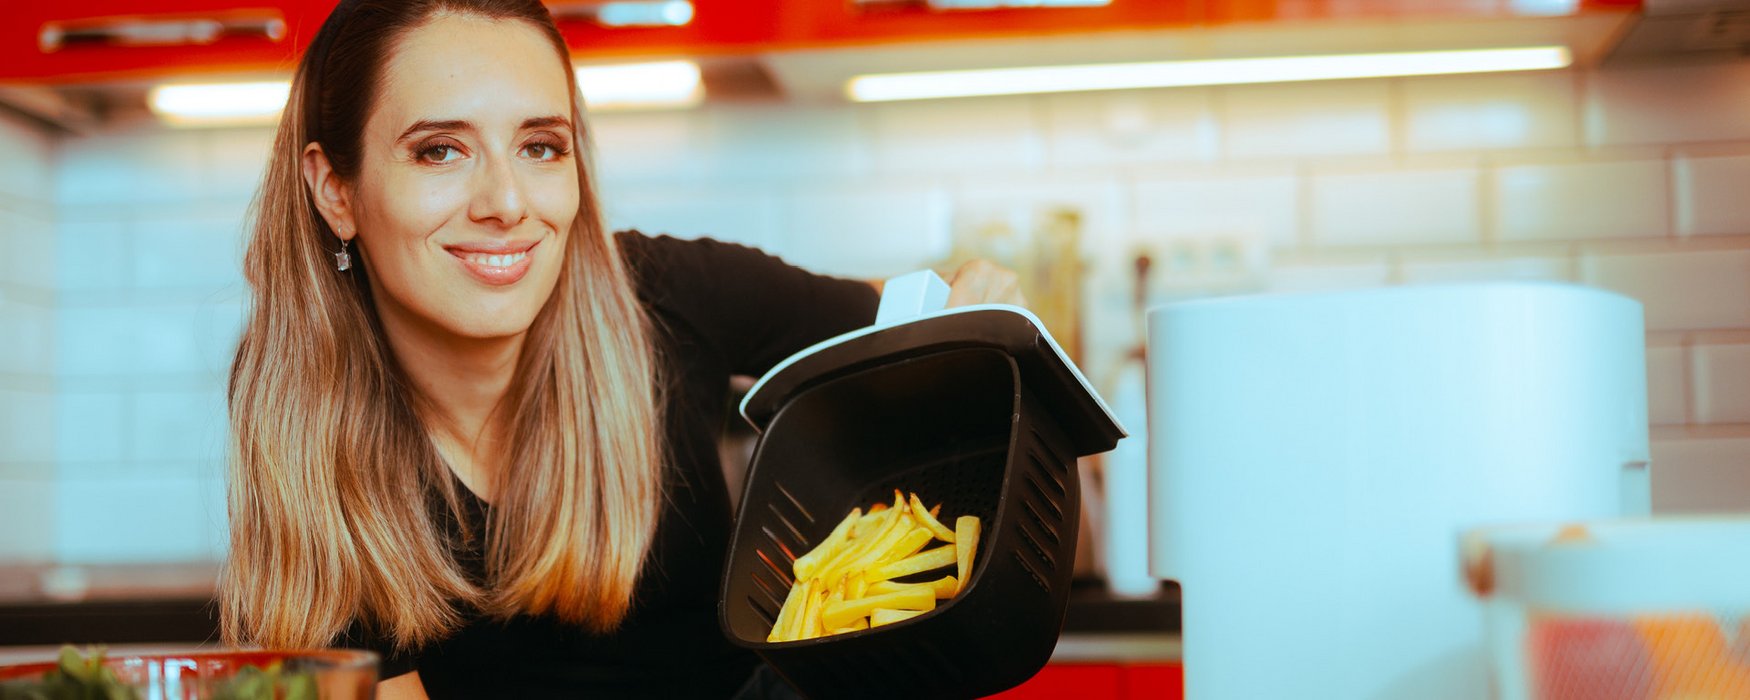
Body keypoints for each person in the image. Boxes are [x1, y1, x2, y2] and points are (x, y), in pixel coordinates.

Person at [218, 1, 1024, 697]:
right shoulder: (301, 415)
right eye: (440, 150)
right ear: (336, 191)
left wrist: (976, 299)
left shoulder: (669, 294)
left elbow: (920, 316)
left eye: (541, 146)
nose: (506, 203)